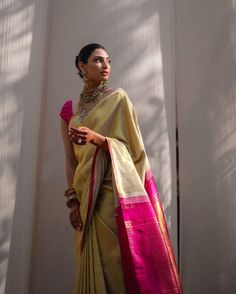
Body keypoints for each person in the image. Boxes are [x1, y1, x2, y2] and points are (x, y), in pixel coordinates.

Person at [60, 43, 182, 294]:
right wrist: (72, 201)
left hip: (111, 195)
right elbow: (70, 160)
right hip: (84, 199)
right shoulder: (68, 110)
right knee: (89, 264)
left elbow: (134, 152)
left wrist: (98, 138)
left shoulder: (118, 98)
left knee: (115, 264)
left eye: (108, 61)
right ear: (81, 66)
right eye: (98, 60)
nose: (106, 66)